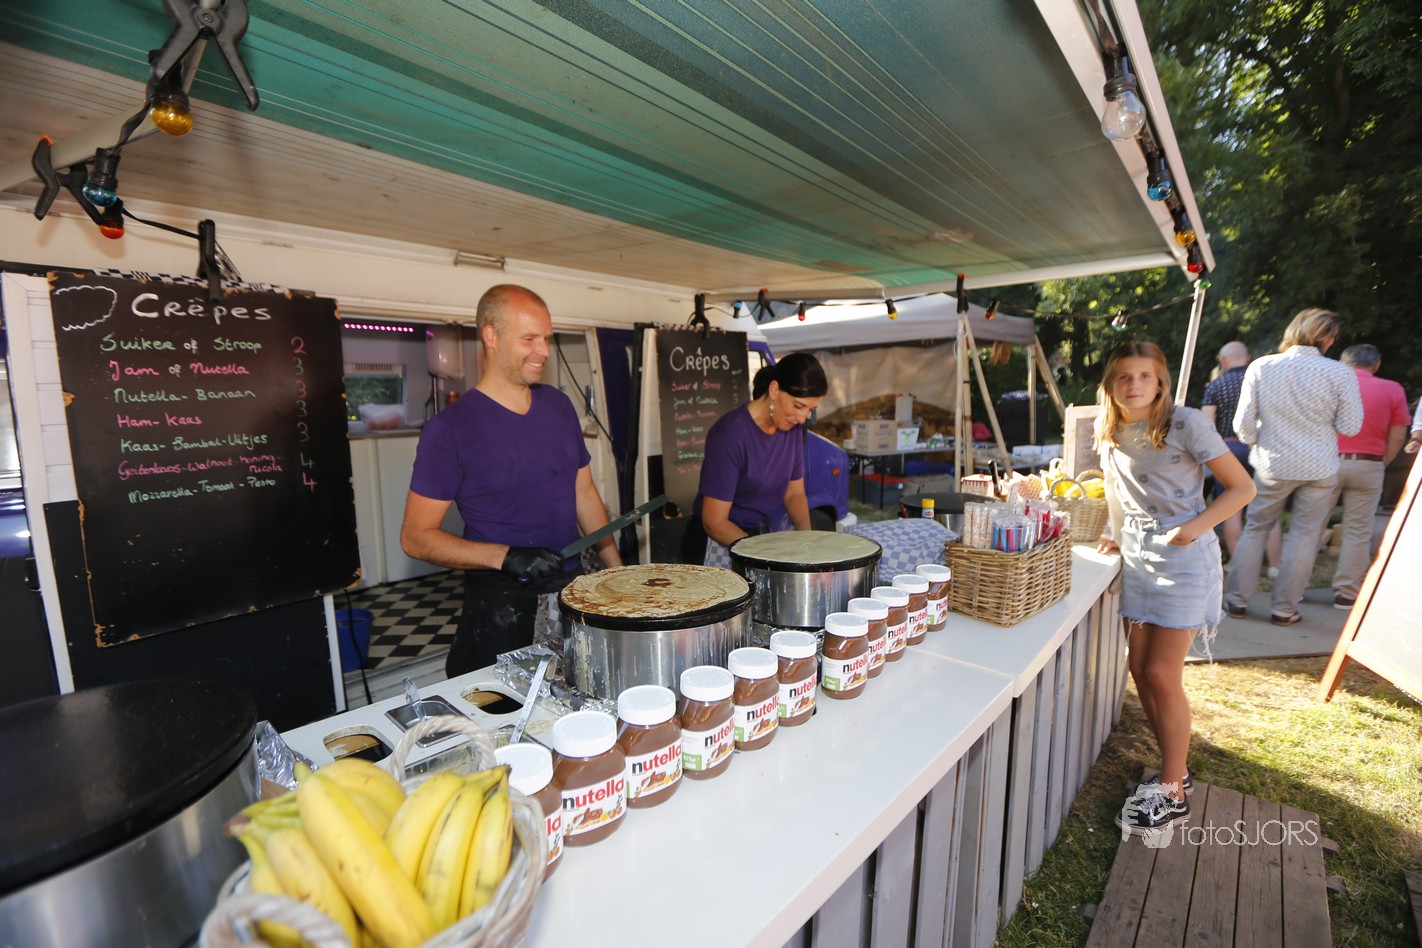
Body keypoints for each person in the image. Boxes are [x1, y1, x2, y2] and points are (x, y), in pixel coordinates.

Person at [401, 284, 622, 676]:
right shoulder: (450, 429)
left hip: (570, 594)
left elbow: (584, 494)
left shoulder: (558, 406)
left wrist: (616, 571)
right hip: (499, 605)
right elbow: (416, 537)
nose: (544, 351)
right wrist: (504, 556)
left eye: (547, 339)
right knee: (503, 711)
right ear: (491, 336)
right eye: (530, 339)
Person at [1094, 342, 1254, 836]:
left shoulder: (1184, 422)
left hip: (1184, 558)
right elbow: (1116, 489)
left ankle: (1172, 792)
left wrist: (1193, 528)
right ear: (1110, 384)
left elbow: (1242, 488)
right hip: (1138, 557)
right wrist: (1113, 533)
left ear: (1161, 381)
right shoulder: (1109, 427)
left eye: (1145, 376)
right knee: (1140, 670)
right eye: (1124, 376)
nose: (1135, 385)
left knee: (1163, 674)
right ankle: (1174, 771)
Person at [1224, 308, 1363, 625]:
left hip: (1272, 463)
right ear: (1326, 338)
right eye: (1333, 336)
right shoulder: (1340, 373)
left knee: (1255, 528)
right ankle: (1285, 609)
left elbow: (1243, 424)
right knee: (1305, 536)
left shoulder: (1262, 366)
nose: (1333, 342)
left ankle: (1236, 601)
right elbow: (1351, 426)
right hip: (1319, 466)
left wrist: (1255, 441)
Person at [680, 352, 828, 566]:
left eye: (810, 410)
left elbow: (794, 492)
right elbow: (714, 522)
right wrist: (762, 555)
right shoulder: (730, 434)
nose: (802, 418)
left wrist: (807, 541)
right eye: (798, 406)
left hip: (758, 537)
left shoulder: (792, 428)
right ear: (774, 390)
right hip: (718, 543)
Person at [1329, 345, 1409, 609]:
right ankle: (1346, 593)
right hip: (1369, 464)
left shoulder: (1331, 384)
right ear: (1376, 365)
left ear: (1343, 363)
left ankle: (1292, 592)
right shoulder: (1393, 389)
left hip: (1327, 463)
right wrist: (1381, 463)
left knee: (1309, 527)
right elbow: (1398, 435)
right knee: (1358, 531)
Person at [1200, 341, 1281, 573]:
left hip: (1228, 450)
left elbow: (1206, 425)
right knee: (1267, 508)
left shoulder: (1217, 385)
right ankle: (1274, 566)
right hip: (1262, 449)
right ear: (1248, 358)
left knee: (1231, 507)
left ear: (1223, 360)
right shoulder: (1265, 381)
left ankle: (1239, 566)